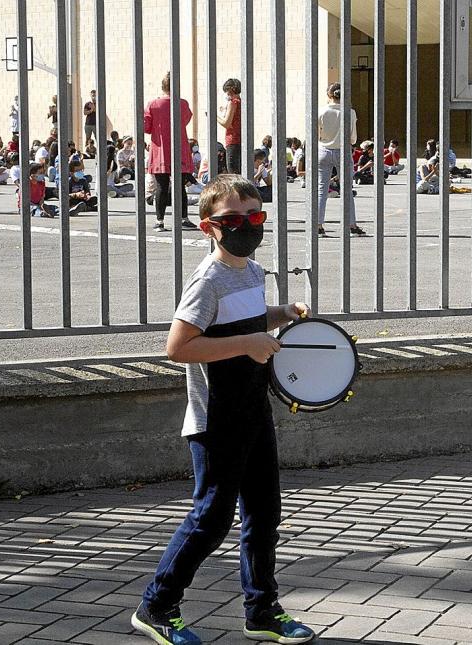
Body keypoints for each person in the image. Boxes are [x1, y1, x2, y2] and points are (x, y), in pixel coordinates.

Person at [131, 173, 316, 645]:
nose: (245, 226)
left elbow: (248, 325)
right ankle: (157, 605)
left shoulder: (252, 271)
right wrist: (248, 344)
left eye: (254, 216)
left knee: (264, 514)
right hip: (216, 418)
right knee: (211, 517)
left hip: (254, 410)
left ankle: (261, 610)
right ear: (207, 227)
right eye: (232, 219)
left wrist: (282, 313)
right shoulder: (207, 280)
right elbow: (178, 346)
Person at [143, 71, 198, 231]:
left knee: (161, 186)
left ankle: (159, 221)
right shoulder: (182, 104)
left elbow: (146, 127)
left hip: (160, 150)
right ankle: (183, 218)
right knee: (180, 186)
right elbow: (186, 120)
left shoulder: (152, 104)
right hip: (179, 149)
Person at [317, 82, 366, 237]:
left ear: (328, 95)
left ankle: (318, 225)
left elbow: (316, 133)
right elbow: (353, 138)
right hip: (343, 151)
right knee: (347, 189)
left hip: (323, 149)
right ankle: (351, 224)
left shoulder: (321, 111)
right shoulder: (350, 112)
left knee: (321, 189)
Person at [217, 78, 241, 174]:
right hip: (241, 140)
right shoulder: (241, 102)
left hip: (232, 140)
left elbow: (226, 123)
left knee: (232, 173)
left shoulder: (233, 102)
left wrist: (214, 116)